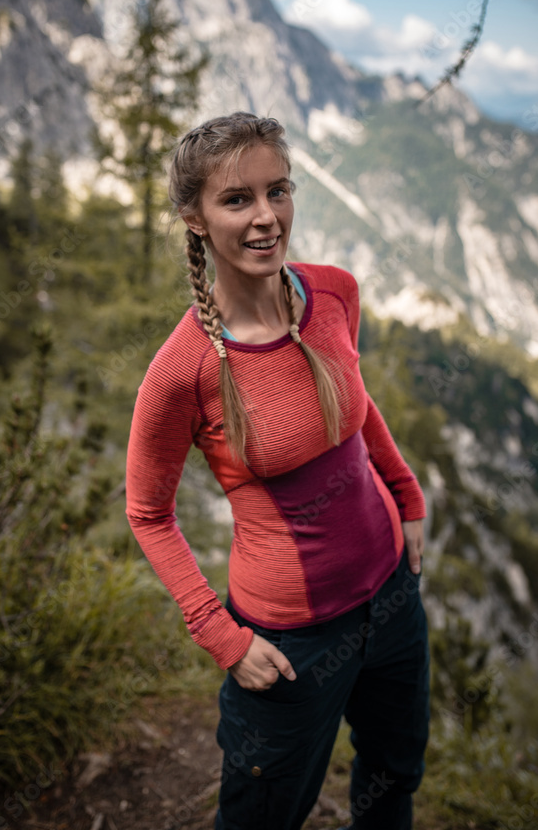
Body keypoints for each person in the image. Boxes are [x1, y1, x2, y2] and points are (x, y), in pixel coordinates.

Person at [125, 111, 430, 830]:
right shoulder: (182, 371)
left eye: (278, 191)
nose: (266, 218)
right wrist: (221, 636)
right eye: (237, 200)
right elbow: (148, 514)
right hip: (290, 644)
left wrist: (408, 496)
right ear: (194, 219)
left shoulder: (334, 292)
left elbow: (352, 405)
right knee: (263, 813)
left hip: (392, 599)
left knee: (394, 778)